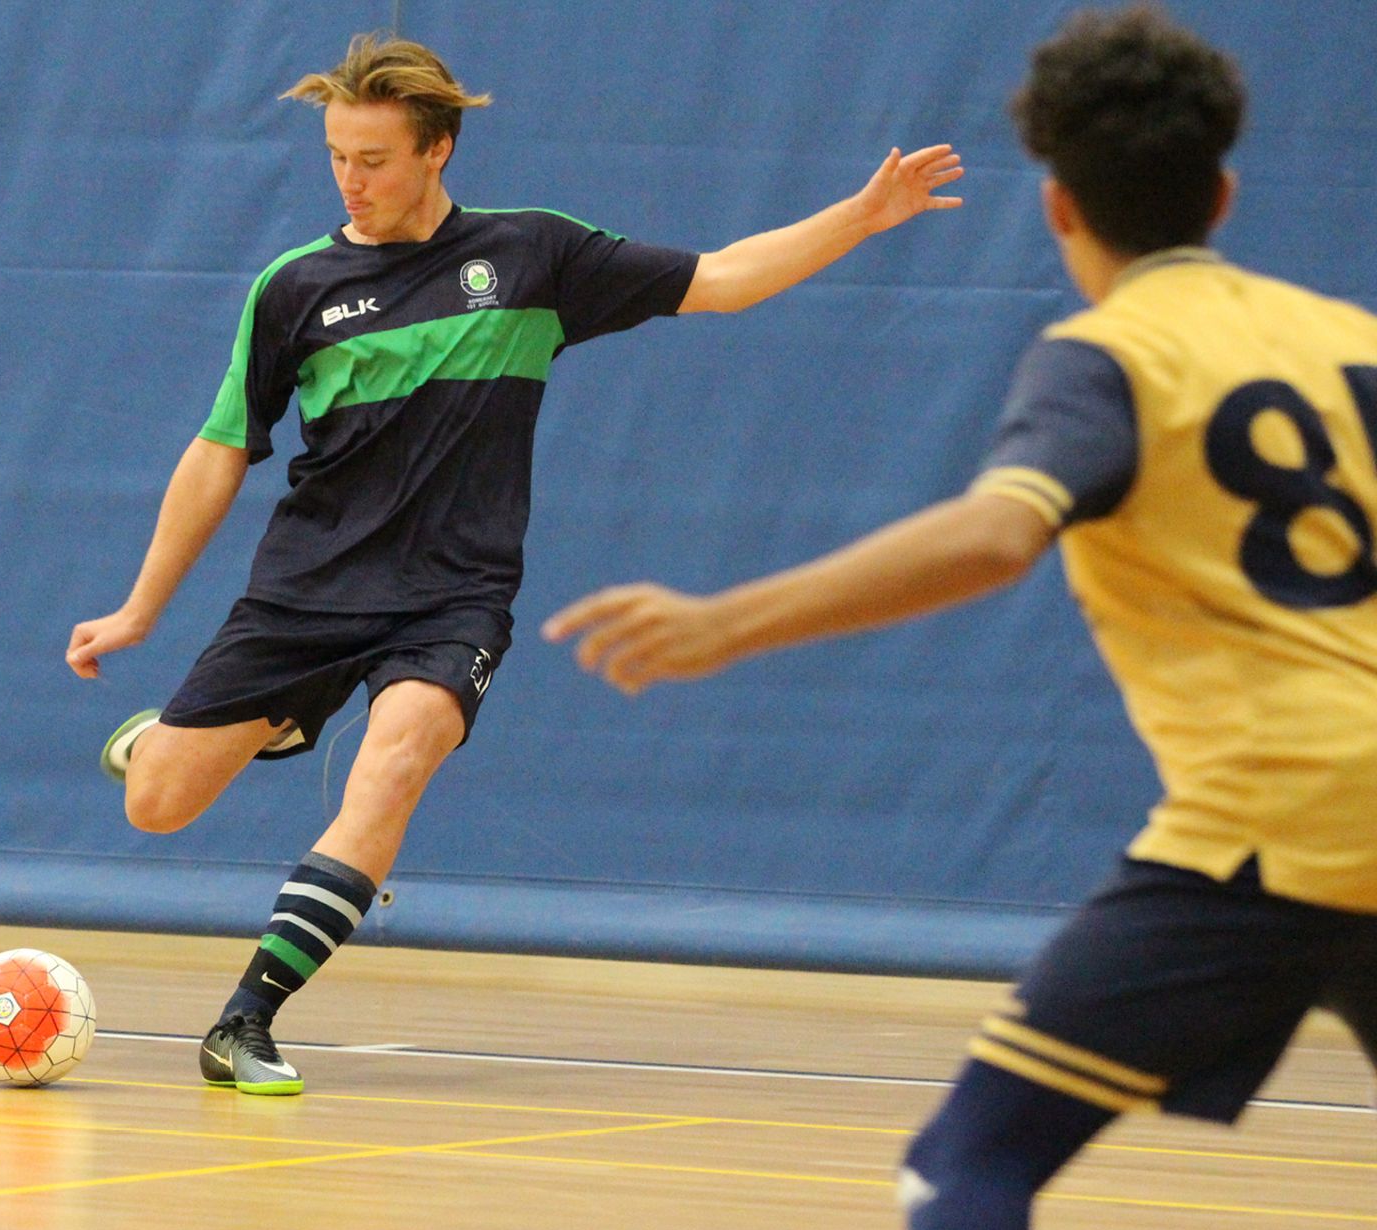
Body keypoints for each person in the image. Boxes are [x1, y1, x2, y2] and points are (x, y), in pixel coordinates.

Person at [539, 6, 1377, 1230]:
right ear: (1222, 192)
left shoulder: (1110, 356)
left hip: (1275, 819)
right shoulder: (1353, 341)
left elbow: (995, 535)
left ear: (1057, 206)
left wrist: (726, 621)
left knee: (973, 1156)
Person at [65, 31, 964, 1095]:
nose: (351, 181)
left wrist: (862, 215)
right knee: (159, 803)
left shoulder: (532, 257)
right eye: (338, 157)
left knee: (394, 765)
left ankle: (244, 1022)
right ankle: (227, 729)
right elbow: (221, 451)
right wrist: (139, 610)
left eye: (374, 160)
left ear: (437, 149)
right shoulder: (295, 287)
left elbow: (721, 280)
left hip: (453, 597)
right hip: (308, 589)